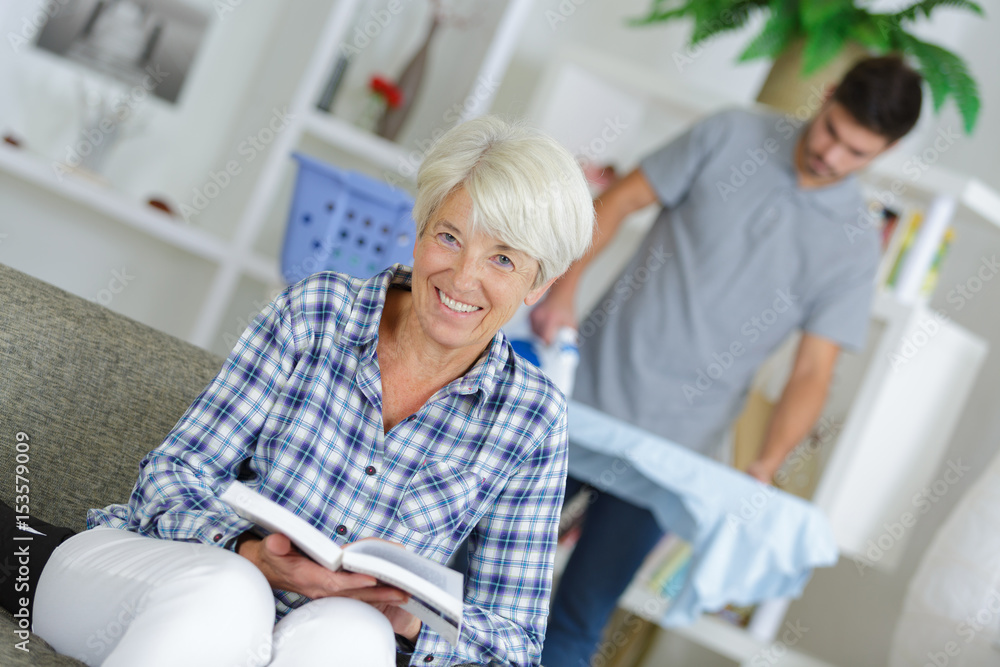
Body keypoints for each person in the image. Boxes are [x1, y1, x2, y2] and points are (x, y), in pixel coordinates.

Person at [22, 115, 594, 666]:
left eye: (502, 259)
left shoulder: (532, 420)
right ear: (419, 233)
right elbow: (169, 479)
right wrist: (248, 552)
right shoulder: (318, 311)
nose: (464, 277)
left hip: (308, 640)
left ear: (536, 286)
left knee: (354, 636)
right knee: (230, 592)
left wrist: (412, 621)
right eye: (449, 236)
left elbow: (514, 644)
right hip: (163, 578)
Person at [530, 56, 924, 666]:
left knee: (578, 621)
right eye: (832, 133)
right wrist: (560, 295)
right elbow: (616, 203)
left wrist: (766, 464)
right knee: (479, 572)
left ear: (884, 152)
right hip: (578, 403)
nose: (833, 158)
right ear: (827, 96)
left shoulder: (852, 245)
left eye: (857, 154)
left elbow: (813, 371)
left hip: (673, 458)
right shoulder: (730, 134)